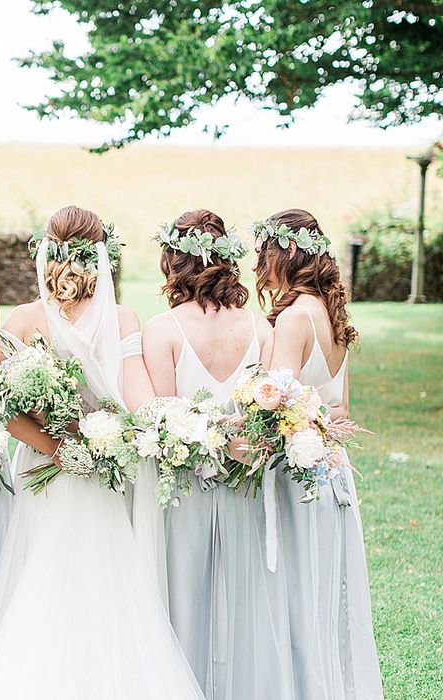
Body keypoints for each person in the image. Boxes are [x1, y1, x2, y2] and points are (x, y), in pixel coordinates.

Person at [0, 205, 206, 700]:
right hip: (97, 473)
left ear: (47, 251)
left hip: (49, 469)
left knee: (41, 586)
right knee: (104, 591)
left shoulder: (21, 319)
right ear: (101, 256)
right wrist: (118, 434)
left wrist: (55, 447)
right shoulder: (123, 318)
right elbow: (136, 400)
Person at [143, 208, 294, 700]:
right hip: (244, 482)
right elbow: (269, 416)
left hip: (183, 489)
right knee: (245, 603)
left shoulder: (161, 330)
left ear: (173, 260)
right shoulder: (261, 329)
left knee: (183, 601)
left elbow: (163, 421)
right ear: (228, 260)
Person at [253, 208, 383, 699]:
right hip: (331, 475)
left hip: (297, 478)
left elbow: (278, 400)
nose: (260, 267)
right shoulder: (331, 314)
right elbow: (340, 410)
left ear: (281, 254)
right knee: (324, 594)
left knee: (294, 595)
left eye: (264, 254)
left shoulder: (293, 318)